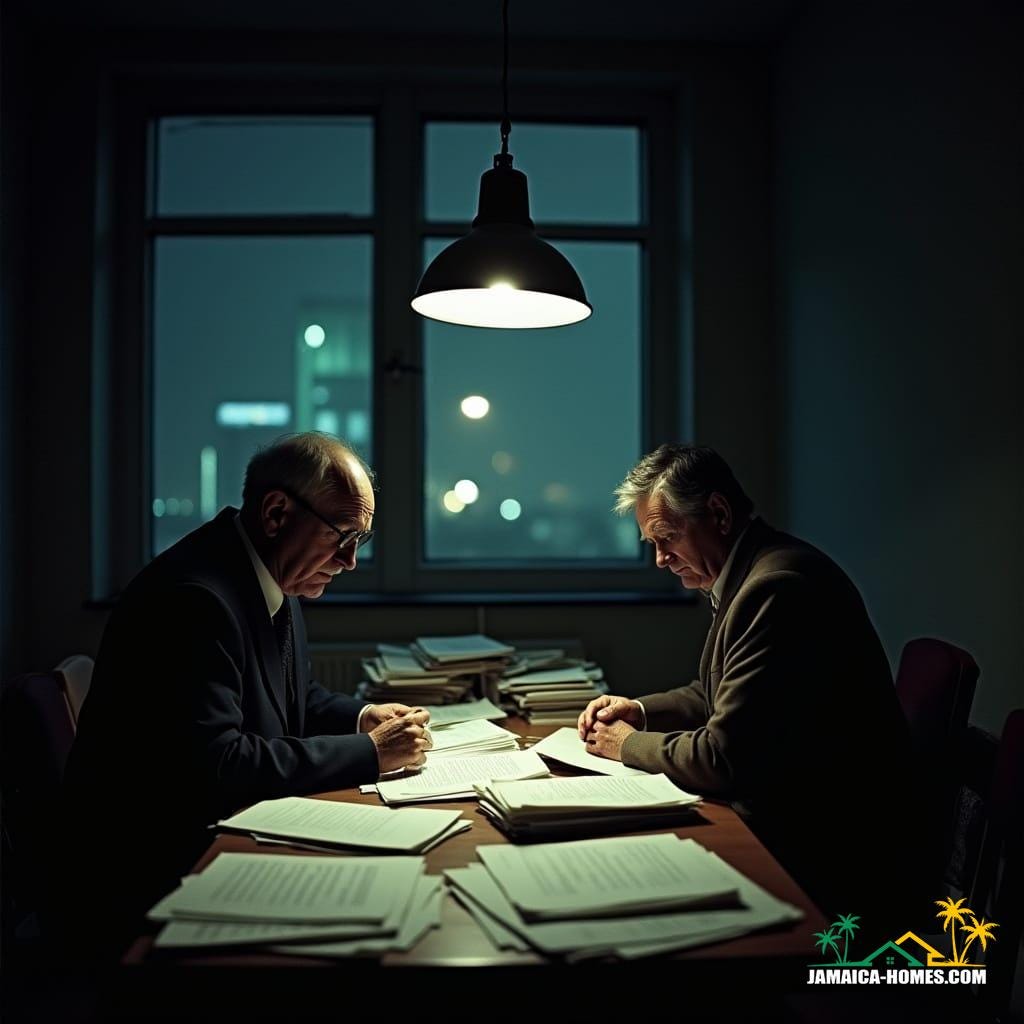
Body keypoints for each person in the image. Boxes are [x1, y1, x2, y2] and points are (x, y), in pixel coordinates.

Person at [61, 432, 430, 950]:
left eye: (358, 540)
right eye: (341, 534)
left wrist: (362, 717)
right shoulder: (194, 600)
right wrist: (370, 753)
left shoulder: (265, 570)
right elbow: (219, 765)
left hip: (210, 840)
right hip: (152, 873)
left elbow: (288, 697)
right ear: (277, 513)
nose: (349, 560)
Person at [578, 444, 921, 930]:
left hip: (826, 855)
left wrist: (627, 745)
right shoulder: (753, 570)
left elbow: (723, 758)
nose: (659, 559)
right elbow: (713, 694)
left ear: (718, 513)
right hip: (804, 825)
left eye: (666, 538)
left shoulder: (778, 588)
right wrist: (638, 710)